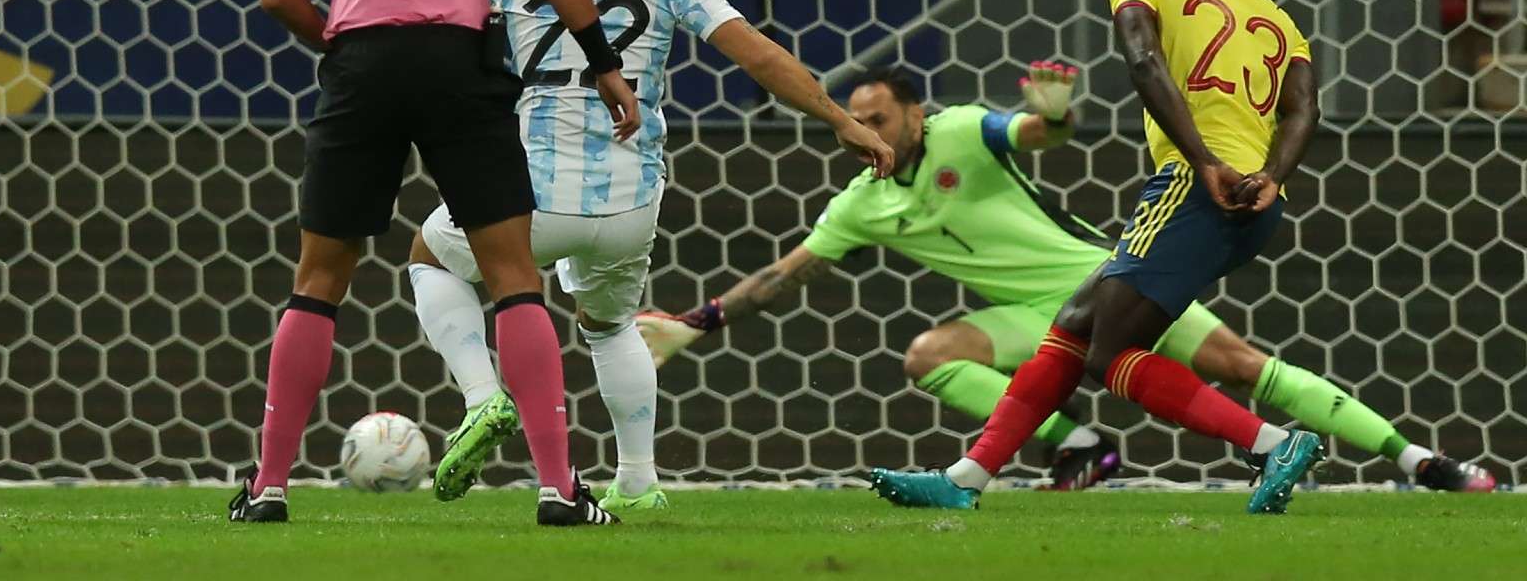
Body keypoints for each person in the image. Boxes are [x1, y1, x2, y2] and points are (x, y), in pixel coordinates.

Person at [641, 65, 1495, 493]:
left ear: (913, 113)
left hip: (1103, 281)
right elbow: (782, 276)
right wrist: (697, 320)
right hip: (1023, 314)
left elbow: (1038, 135)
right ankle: (1078, 444)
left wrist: (1053, 111)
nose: (865, 132)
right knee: (929, 354)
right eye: (852, 125)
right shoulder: (861, 203)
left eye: (878, 118)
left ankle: (1418, 459)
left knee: (1236, 361)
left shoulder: (963, 132)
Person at [409, 0, 893, 513]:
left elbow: (440, 32)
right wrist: (842, 120)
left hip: (527, 195)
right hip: (629, 199)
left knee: (429, 253)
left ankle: (483, 396)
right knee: (609, 325)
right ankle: (638, 480)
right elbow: (754, 53)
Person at [233, 0, 642, 528]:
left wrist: (341, 49)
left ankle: (267, 489)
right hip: (459, 66)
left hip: (362, 69)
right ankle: (559, 492)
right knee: (513, 275)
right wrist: (604, 65)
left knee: (318, 279)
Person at [870, 0, 1337, 516]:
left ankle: (1271, 442)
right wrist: (1273, 178)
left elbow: (1144, 61)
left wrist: (1201, 161)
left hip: (1193, 185)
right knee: (1074, 326)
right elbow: (1304, 110)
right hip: (1257, 199)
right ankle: (966, 479)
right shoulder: (1279, 20)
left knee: (1107, 352)